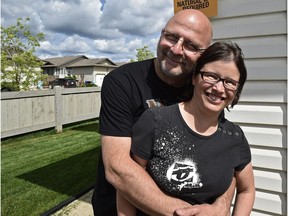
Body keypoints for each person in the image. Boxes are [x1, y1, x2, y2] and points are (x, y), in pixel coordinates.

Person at [92, 9, 236, 216]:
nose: (176, 50)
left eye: (191, 45)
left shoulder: (202, 88)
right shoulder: (123, 82)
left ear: (204, 55)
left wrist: (221, 205)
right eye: (171, 37)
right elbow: (117, 168)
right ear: (161, 34)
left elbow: (224, 150)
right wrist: (187, 213)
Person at [117, 41, 256, 216]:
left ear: (236, 91)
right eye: (212, 76)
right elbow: (126, 186)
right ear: (194, 77)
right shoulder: (156, 121)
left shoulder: (235, 137)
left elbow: (247, 190)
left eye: (230, 82)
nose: (219, 88)